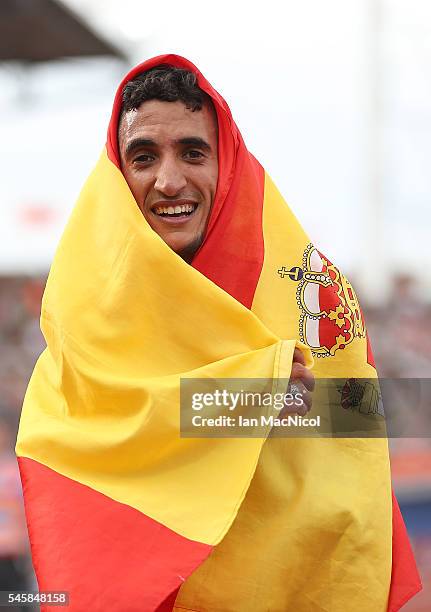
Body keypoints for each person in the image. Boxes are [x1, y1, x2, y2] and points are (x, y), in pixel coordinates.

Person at [16, 55, 421, 612]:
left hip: (288, 588)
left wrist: (286, 400)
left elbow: (361, 412)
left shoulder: (308, 281)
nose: (169, 180)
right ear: (119, 174)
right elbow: (70, 428)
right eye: (143, 157)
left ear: (225, 160)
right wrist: (238, 399)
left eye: (192, 152)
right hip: (156, 590)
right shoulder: (90, 292)